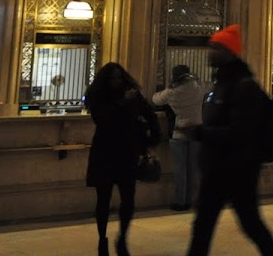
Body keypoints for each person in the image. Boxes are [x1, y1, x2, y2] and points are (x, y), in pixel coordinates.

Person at [182, 25, 273, 256]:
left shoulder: (244, 87)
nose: (209, 52)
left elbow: (240, 132)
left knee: (249, 224)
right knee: (205, 227)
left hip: (237, 170)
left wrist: (200, 133)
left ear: (228, 51)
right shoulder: (225, 83)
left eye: (214, 47)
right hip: (220, 169)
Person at [85, 62, 161, 256]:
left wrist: (152, 140)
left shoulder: (132, 94)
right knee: (103, 199)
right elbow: (101, 118)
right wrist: (123, 101)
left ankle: (122, 238)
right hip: (105, 152)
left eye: (119, 78)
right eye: (113, 78)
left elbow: (150, 114)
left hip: (127, 151)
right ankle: (102, 239)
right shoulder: (99, 96)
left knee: (128, 198)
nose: (117, 82)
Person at [152, 64, 206, 211]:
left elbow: (155, 100)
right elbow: (209, 88)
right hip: (196, 132)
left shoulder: (172, 92)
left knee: (179, 169)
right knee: (193, 169)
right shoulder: (198, 88)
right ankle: (191, 199)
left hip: (179, 132)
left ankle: (181, 201)